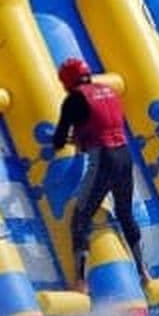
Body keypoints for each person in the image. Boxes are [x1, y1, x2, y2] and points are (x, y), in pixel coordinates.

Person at [52, 57, 150, 293]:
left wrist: (68, 139)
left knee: (81, 216)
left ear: (66, 81)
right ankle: (142, 271)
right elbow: (102, 122)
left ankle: (80, 281)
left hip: (104, 159)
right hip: (125, 157)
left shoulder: (74, 99)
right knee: (125, 214)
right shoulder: (108, 90)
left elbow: (58, 139)